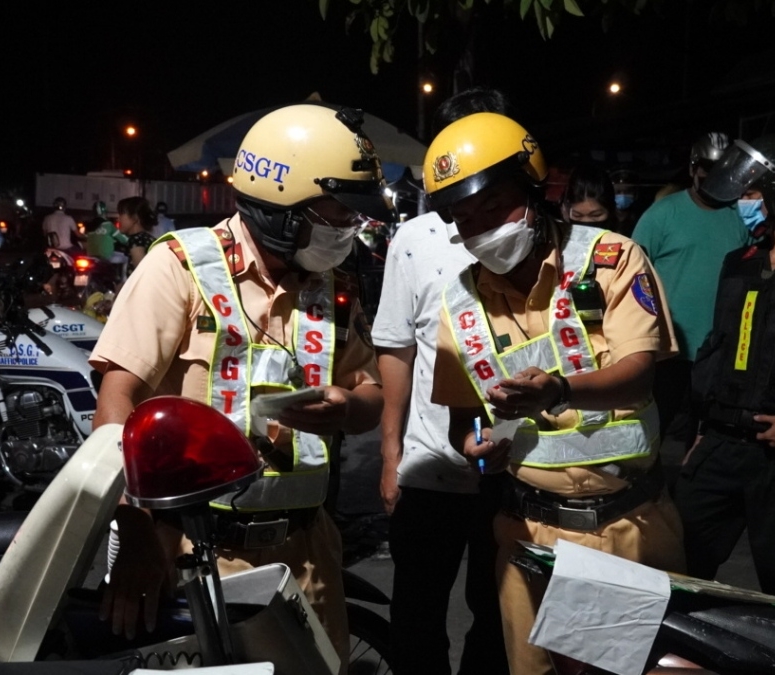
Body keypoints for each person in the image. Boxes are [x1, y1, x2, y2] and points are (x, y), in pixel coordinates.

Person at [89, 103, 389, 665]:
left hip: (308, 552)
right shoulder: (179, 267)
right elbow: (116, 400)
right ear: (279, 209)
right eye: (337, 213)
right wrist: (130, 529)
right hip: (192, 552)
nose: (350, 226)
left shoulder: (334, 285)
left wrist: (348, 407)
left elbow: (370, 394)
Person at [425, 113, 685, 675]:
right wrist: (475, 446)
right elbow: (465, 418)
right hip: (527, 534)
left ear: (533, 189)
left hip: (625, 526)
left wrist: (558, 389)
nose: (480, 229)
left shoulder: (611, 259)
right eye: (464, 219)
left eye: (493, 207)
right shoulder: (459, 302)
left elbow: (641, 370)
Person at [373, 87, 510, 675]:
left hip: (508, 472)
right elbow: (397, 350)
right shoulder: (415, 239)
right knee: (417, 617)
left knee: (499, 615)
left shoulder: (525, 234)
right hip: (429, 471)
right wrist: (389, 454)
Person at [679, 135, 775, 608]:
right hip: (719, 444)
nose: (744, 203)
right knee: (675, 577)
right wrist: (701, 434)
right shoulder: (738, 263)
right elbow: (721, 352)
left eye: (753, 193)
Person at [631, 132, 754, 439]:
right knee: (652, 430)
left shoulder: (740, 217)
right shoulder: (662, 214)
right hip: (669, 352)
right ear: (693, 169)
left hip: (719, 352)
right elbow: (631, 276)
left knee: (703, 437)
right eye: (708, 169)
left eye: (723, 170)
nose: (715, 177)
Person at [560, 163, 616, 228]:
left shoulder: (623, 238)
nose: (586, 221)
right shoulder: (556, 236)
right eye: (577, 216)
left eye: (596, 215)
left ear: (611, 210)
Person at [115, 196, 156, 268]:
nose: (118, 219)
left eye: (121, 214)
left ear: (134, 218)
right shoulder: (146, 238)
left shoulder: (136, 241)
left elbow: (141, 272)